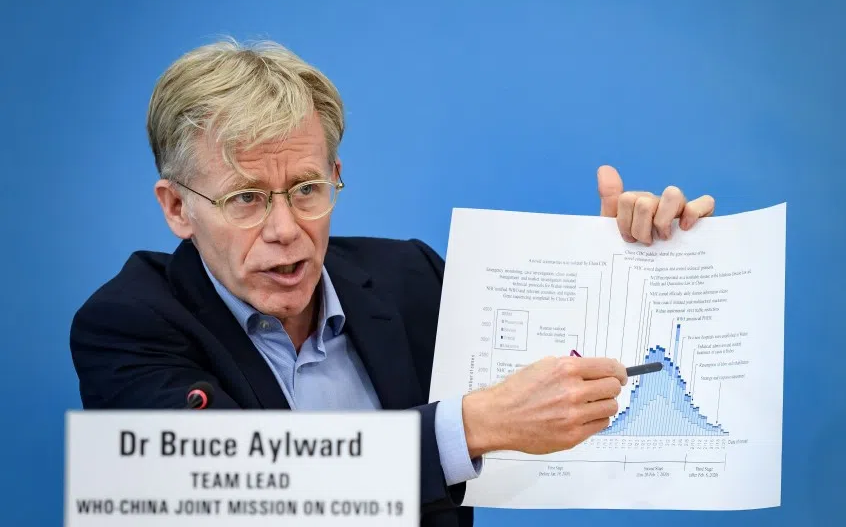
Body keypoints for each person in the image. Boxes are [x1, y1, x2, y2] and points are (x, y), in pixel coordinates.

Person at [70, 40, 716, 527]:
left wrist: (625, 264)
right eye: (244, 198)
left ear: (336, 174)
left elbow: (549, 395)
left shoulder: (409, 277)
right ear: (177, 207)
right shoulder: (127, 324)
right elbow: (226, 489)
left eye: (308, 189)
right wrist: (464, 429)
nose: (286, 229)